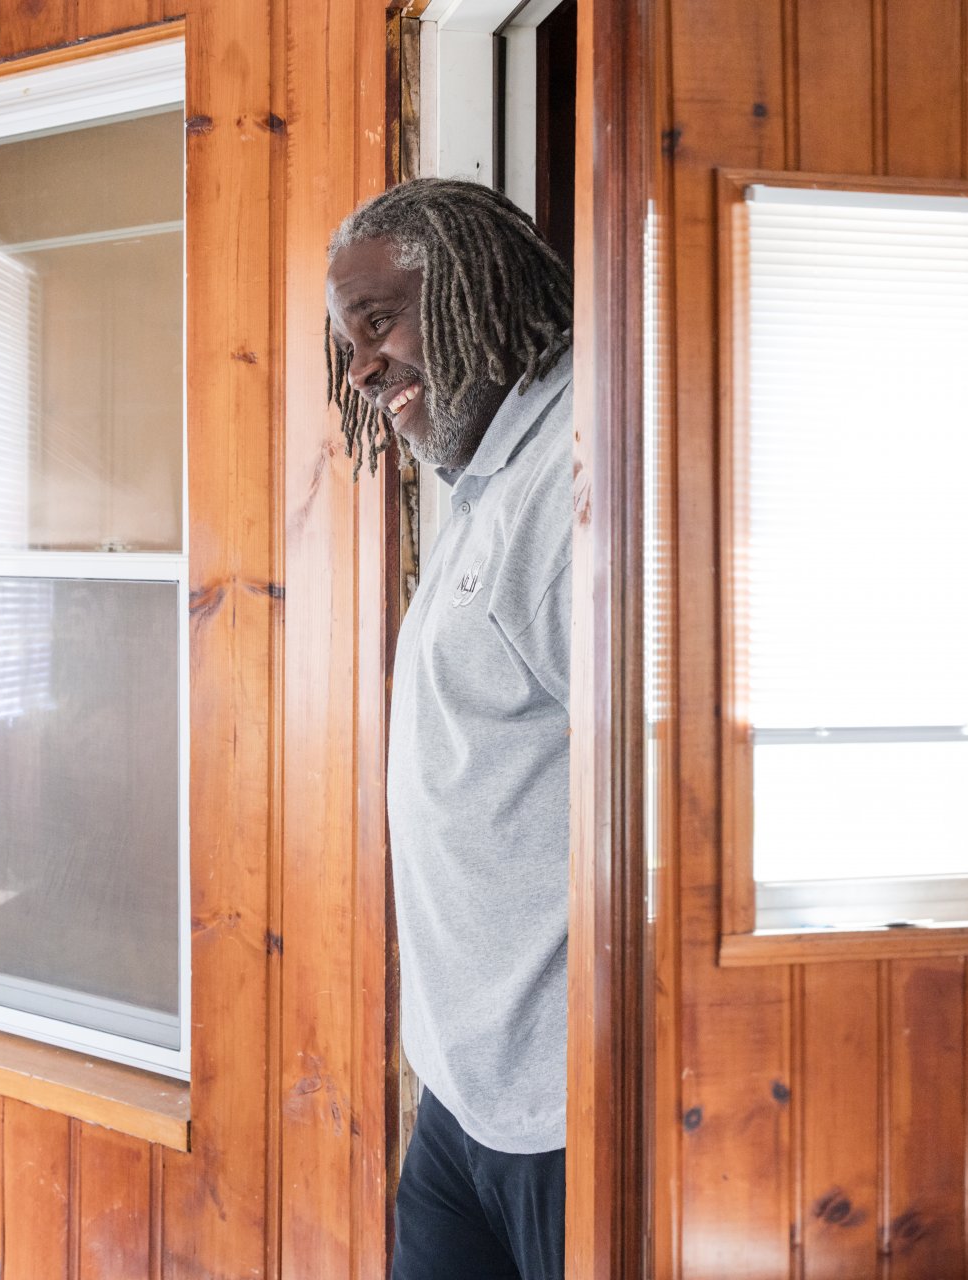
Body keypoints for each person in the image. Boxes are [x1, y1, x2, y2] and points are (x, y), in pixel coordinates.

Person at [325, 178, 575, 1280]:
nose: (363, 367)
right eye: (351, 341)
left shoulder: (575, 477)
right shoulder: (488, 473)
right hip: (464, 1086)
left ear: (474, 283)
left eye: (378, 320)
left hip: (566, 1105)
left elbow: (665, 795)